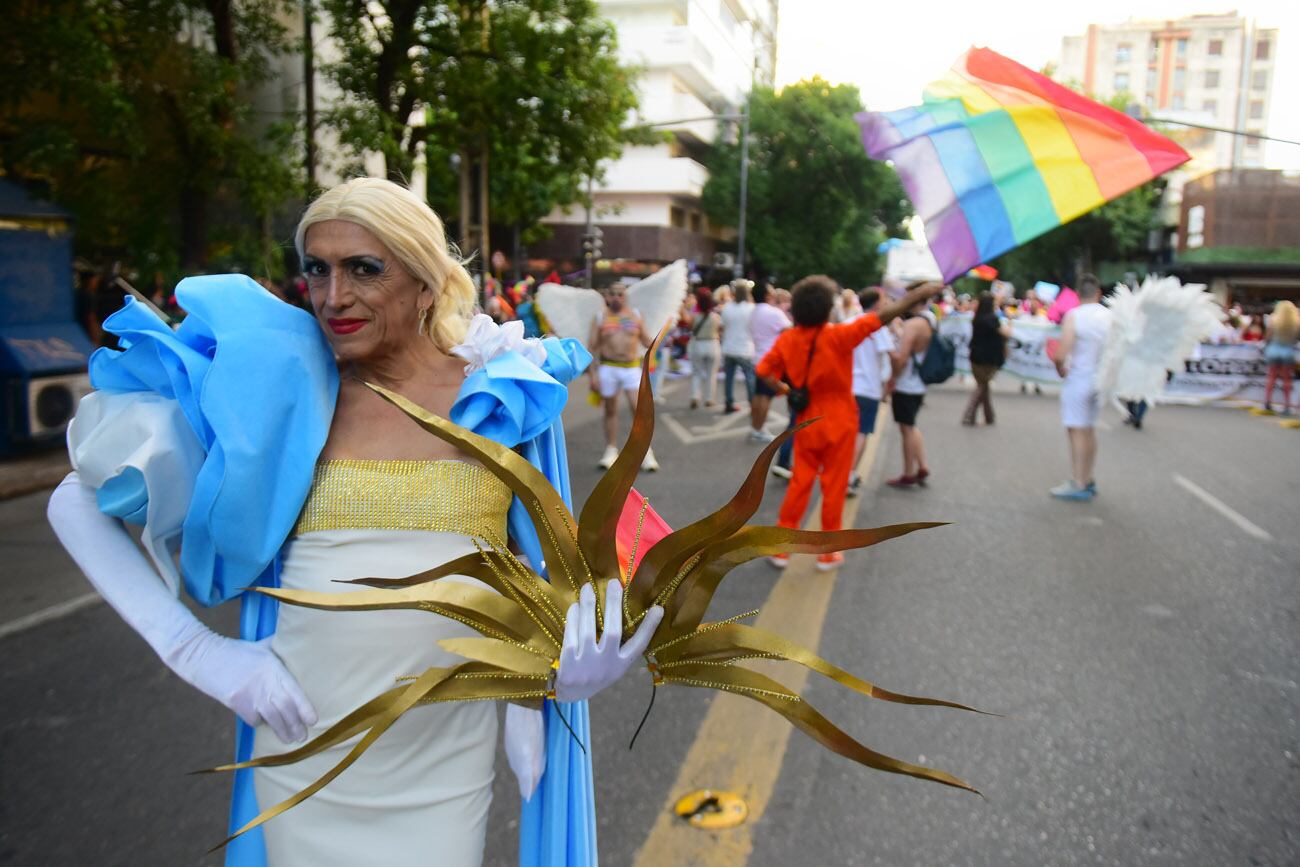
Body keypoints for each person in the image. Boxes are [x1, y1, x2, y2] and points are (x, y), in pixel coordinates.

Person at [46, 177, 655, 867]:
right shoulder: (278, 391)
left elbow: (530, 575)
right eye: (317, 268)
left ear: (426, 281)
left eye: (364, 268)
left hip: (442, 760)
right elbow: (74, 501)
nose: (333, 296)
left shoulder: (501, 390)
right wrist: (198, 653)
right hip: (304, 748)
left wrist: (543, 683)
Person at [757, 277, 942, 571]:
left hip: (807, 421)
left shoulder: (788, 339)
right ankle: (828, 553)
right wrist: (916, 296)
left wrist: (786, 390)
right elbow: (880, 318)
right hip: (841, 420)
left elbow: (763, 370)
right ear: (827, 308)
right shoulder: (840, 335)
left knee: (800, 482)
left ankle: (781, 550)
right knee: (834, 485)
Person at [1048, 273, 1111, 501]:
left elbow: (1061, 353)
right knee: (1089, 429)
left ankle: (1078, 481)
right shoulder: (1109, 316)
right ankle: (1088, 477)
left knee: (1075, 429)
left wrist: (1060, 369)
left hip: (1079, 379)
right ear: (1098, 294)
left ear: (1077, 294)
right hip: (1099, 380)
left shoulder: (1074, 316)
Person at [588, 282, 658, 470]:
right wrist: (592, 375)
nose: (616, 297)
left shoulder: (635, 315)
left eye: (620, 294)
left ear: (625, 296)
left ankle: (645, 452)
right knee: (611, 410)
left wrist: (659, 340)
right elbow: (592, 348)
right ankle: (611, 450)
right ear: (607, 296)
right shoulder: (600, 317)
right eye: (613, 293)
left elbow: (646, 339)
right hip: (608, 368)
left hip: (631, 368)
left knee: (638, 411)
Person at [886, 290, 937, 487]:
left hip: (906, 383)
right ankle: (922, 465)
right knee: (911, 425)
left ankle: (908, 472)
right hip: (919, 382)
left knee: (906, 428)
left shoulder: (912, 325)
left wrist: (892, 376)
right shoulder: (930, 320)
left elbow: (902, 358)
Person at [847, 288, 895, 497]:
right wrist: (889, 384)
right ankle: (849, 475)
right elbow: (891, 355)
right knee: (861, 432)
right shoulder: (877, 326)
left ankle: (840, 472)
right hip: (868, 388)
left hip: (847, 386)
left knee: (846, 434)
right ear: (876, 304)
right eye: (884, 301)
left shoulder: (849, 323)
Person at [748, 283, 791, 443]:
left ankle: (755, 427)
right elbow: (790, 332)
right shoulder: (774, 313)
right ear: (767, 295)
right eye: (771, 289)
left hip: (757, 356)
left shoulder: (753, 311)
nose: (774, 291)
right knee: (766, 396)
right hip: (771, 360)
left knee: (759, 395)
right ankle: (758, 429)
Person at [962, 291, 1011, 426]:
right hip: (989, 358)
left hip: (975, 356)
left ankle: (989, 415)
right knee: (983, 385)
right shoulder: (992, 319)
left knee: (984, 385)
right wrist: (1009, 320)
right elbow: (1007, 333)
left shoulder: (976, 318)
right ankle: (969, 414)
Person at [718, 279, 756, 415]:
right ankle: (753, 405)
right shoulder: (751, 308)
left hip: (728, 347)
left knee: (729, 378)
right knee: (750, 378)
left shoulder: (727, 307)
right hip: (745, 348)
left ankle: (728, 403)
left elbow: (721, 327)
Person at [687, 287, 722, 409]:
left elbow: (690, 328)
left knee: (696, 372)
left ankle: (695, 396)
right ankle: (709, 398)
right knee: (711, 374)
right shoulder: (716, 317)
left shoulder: (694, 316)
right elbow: (721, 330)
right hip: (712, 344)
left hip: (698, 344)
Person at [1263, 300, 1298, 415]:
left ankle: (1267, 402)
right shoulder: (1296, 322)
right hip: (1287, 350)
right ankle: (1287, 405)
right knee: (1286, 379)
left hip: (1274, 349)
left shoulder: (1274, 319)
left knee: (1271, 377)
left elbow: (1268, 336)